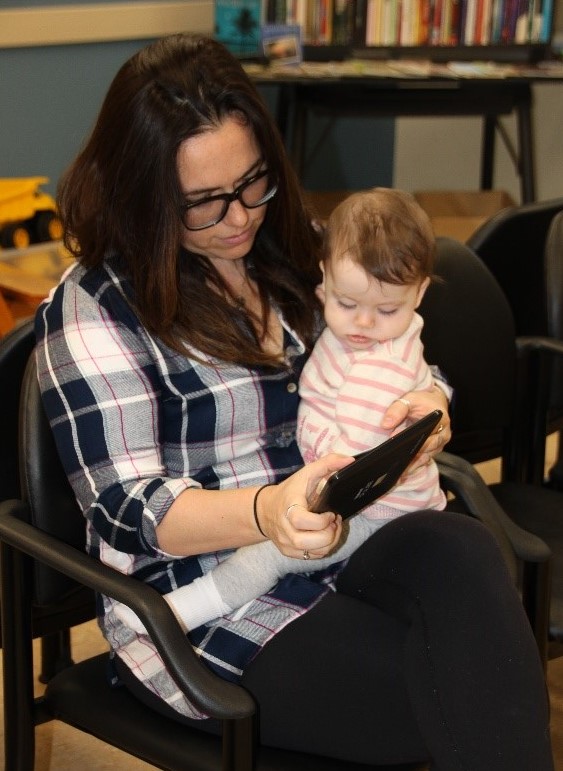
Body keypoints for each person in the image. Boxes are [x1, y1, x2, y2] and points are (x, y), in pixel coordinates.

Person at [34, 33, 554, 770]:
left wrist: (428, 402)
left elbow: (399, 339)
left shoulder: (292, 246)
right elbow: (127, 506)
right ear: (142, 193)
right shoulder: (95, 306)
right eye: (205, 204)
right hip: (205, 598)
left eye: (253, 182)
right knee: (448, 693)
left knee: (464, 556)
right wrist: (266, 510)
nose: (241, 216)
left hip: (341, 536)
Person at [113, 187, 447, 635]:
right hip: (367, 492)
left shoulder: (378, 369)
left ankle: (181, 611)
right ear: (324, 277)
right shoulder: (369, 321)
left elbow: (352, 472)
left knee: (266, 556)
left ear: (420, 292)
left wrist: (301, 508)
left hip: (378, 511)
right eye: (347, 304)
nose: (364, 324)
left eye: (386, 309)